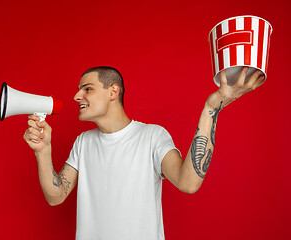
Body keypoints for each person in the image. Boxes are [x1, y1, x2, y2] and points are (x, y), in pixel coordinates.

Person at [23, 66, 264, 240]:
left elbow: (188, 182)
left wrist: (211, 108)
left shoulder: (152, 136)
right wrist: (43, 151)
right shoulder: (83, 142)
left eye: (87, 89)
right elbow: (56, 196)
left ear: (113, 91)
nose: (77, 96)